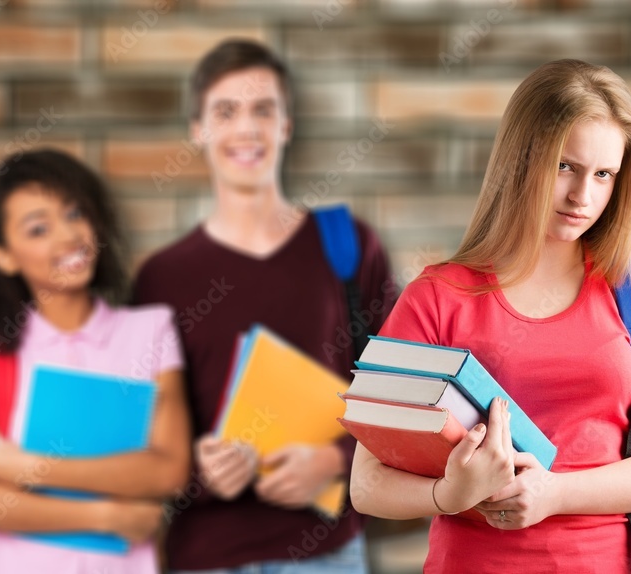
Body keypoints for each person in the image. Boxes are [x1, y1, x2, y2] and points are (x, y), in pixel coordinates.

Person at [349, 59, 631, 573]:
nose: (583, 197)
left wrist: (554, 493)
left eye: (604, 174)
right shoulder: (436, 298)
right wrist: (449, 494)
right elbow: (366, 483)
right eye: (565, 166)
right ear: (520, 161)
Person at [133, 39, 397, 572]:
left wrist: (334, 460)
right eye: (225, 111)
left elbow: (404, 394)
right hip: (207, 555)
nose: (246, 129)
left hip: (329, 551)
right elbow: (139, 433)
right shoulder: (161, 277)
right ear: (197, 129)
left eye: (263, 110)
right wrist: (196, 471)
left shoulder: (347, 244)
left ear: (287, 125)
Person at [0, 149, 191, 574]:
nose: (68, 236)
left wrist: (29, 468)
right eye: (38, 229)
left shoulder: (151, 331)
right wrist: (108, 517)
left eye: (74, 214)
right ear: (3, 255)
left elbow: (168, 470)